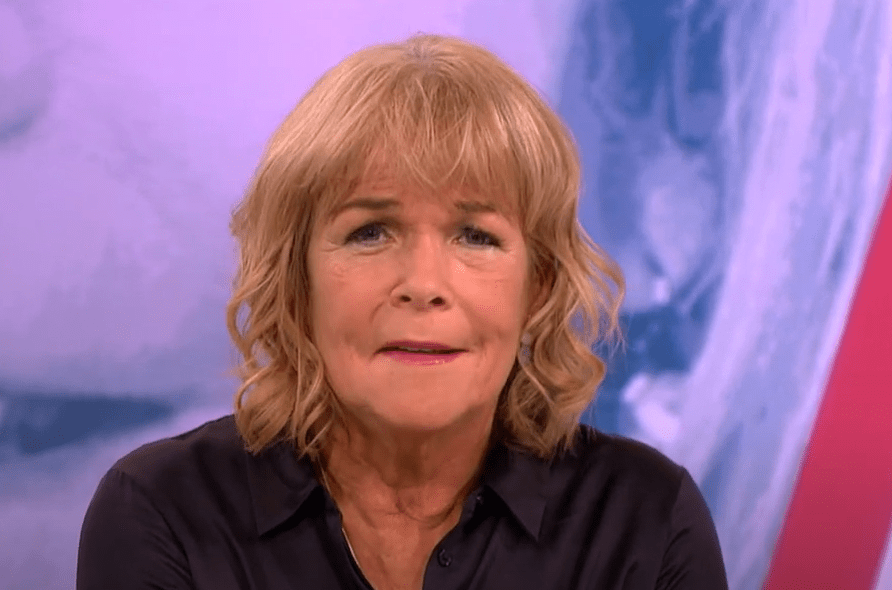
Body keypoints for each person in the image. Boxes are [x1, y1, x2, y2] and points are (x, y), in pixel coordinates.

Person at [76, 33, 728, 590]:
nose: (422, 285)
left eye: (475, 235)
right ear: (297, 282)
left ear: (540, 287)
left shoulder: (645, 520)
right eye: (370, 232)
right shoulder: (162, 510)